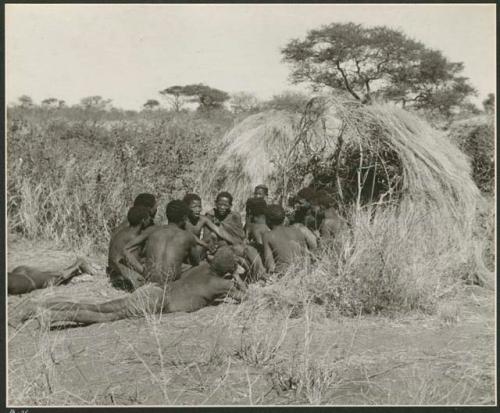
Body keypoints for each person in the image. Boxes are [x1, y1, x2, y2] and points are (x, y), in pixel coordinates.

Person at [12, 247, 247, 328]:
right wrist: (237, 276)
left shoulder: (203, 267)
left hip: (152, 291)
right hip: (157, 302)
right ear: (228, 271)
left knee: (100, 307)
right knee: (104, 315)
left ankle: (41, 307)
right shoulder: (221, 284)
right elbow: (243, 297)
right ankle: (48, 315)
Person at [124, 200, 201, 284]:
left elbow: (126, 249)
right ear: (185, 217)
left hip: (149, 281)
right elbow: (196, 263)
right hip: (171, 285)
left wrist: (143, 271)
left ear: (167, 215)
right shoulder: (187, 236)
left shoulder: (152, 230)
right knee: (201, 267)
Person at [107, 205, 152, 291]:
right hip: (118, 272)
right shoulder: (133, 236)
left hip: (114, 268)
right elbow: (132, 262)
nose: (150, 220)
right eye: (148, 218)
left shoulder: (125, 231)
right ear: (143, 220)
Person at [262, 204, 317, 274]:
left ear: (268, 220)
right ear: (284, 218)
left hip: (284, 275)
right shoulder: (297, 230)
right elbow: (305, 255)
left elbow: (270, 264)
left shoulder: (267, 236)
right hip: (303, 272)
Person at [183, 193, 237, 259]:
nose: (198, 209)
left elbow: (219, 231)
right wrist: (206, 245)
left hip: (197, 249)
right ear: (186, 207)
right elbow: (190, 235)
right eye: (194, 207)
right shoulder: (182, 221)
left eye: (199, 206)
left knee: (220, 241)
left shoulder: (202, 219)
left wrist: (235, 242)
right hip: (184, 250)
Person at [8, 258, 95, 295]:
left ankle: (78, 263)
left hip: (23, 279)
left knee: (56, 278)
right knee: (50, 277)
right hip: (18, 275)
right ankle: (74, 268)